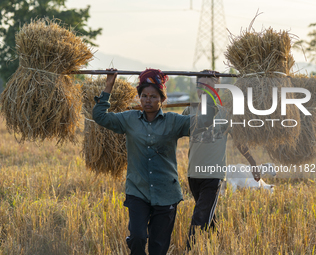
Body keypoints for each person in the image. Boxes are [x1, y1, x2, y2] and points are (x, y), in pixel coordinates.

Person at [92, 68, 218, 255]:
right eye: (144, 96)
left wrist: (209, 89)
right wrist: (109, 86)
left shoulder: (174, 121)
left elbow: (205, 119)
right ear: (139, 98)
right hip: (137, 190)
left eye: (152, 96)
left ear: (162, 99)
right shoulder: (129, 119)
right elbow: (100, 116)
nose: (147, 100)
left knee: (158, 248)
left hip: (166, 193)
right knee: (137, 237)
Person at [182, 70, 260, 250]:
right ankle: (220, 246)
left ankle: (188, 250)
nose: (204, 91)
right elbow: (173, 130)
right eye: (201, 86)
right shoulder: (190, 110)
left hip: (214, 175)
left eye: (209, 87)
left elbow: (240, 142)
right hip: (193, 174)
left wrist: (253, 164)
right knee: (208, 215)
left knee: (200, 217)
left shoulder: (225, 113)